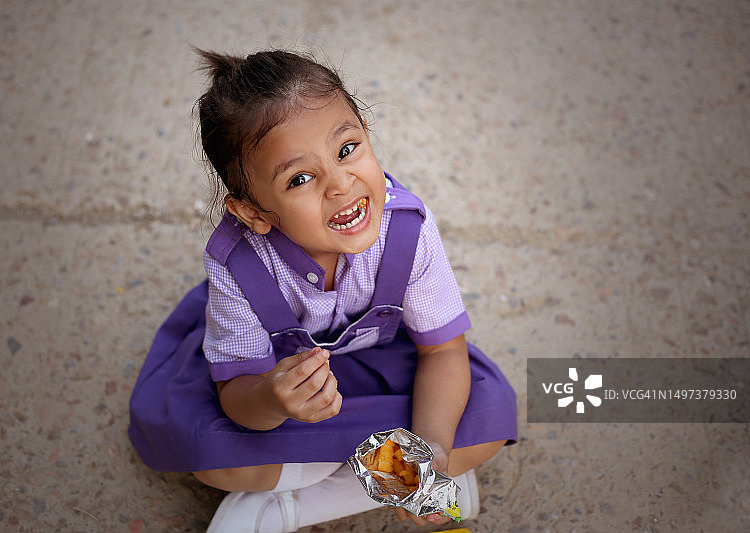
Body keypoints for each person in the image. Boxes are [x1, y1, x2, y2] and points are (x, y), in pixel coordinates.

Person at [128, 48, 517, 533]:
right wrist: (271, 399)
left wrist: (430, 450)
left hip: (388, 368)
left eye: (347, 149)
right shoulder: (238, 264)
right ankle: (423, 487)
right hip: (285, 383)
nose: (340, 185)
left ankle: (291, 505)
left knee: (488, 417)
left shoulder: (407, 229)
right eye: (300, 178)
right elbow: (237, 395)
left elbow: (442, 351)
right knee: (212, 457)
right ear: (253, 213)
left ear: (366, 132)